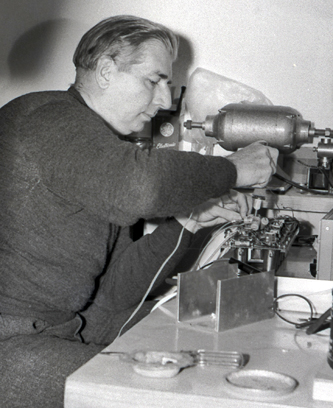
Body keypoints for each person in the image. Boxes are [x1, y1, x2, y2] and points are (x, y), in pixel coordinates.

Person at [0, 15, 278, 408]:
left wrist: (186, 222)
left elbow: (114, 292)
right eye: (153, 81)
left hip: (63, 326)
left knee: (184, 338)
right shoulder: (49, 118)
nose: (165, 100)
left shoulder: (98, 153)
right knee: (165, 394)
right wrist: (234, 169)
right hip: (10, 344)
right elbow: (140, 188)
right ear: (106, 71)